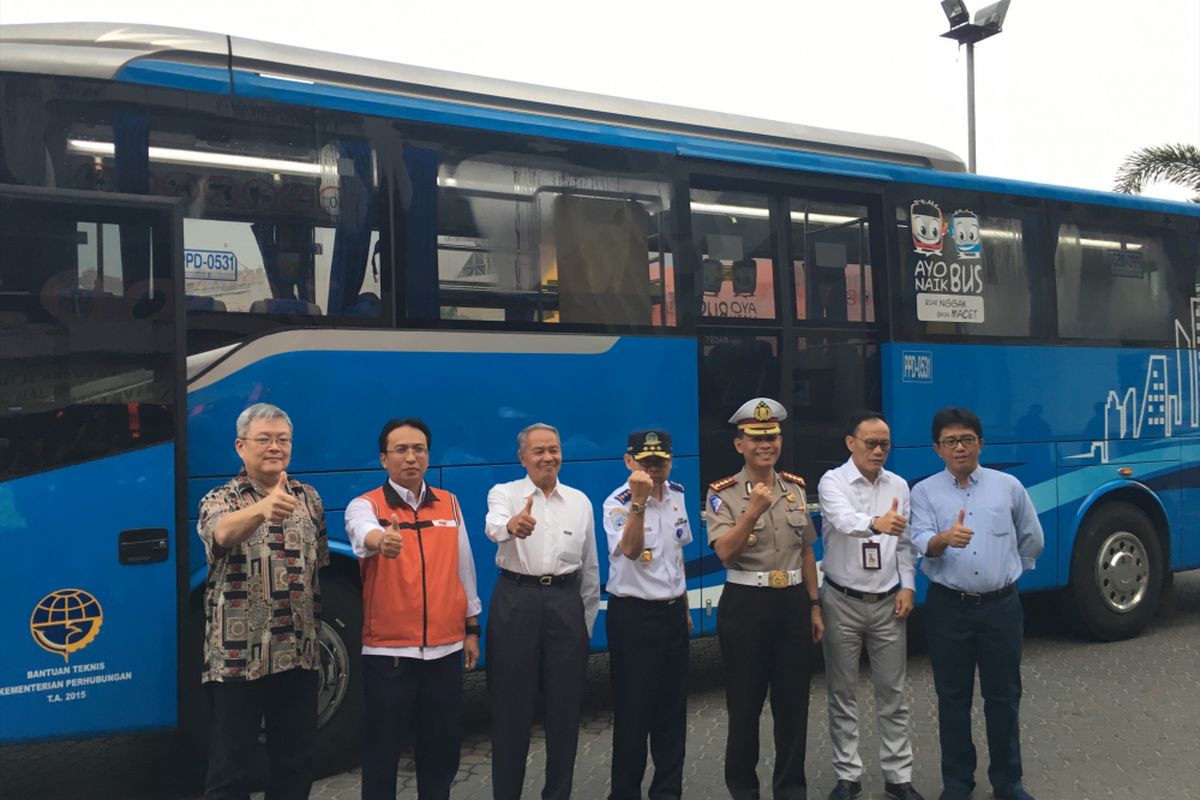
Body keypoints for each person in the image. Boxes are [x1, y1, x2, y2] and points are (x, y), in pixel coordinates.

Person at [909, 408, 1045, 800]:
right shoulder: (924, 492)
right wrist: (943, 540)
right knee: (952, 697)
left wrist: (1011, 571)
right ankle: (957, 781)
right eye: (950, 441)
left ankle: (1008, 780)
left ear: (981, 444)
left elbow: (1030, 536)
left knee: (1003, 695)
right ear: (937, 449)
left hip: (1000, 607)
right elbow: (920, 541)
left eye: (967, 439)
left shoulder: (1008, 486)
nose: (960, 448)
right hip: (948, 608)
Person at [344, 418, 482, 800]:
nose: (411, 457)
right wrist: (380, 541)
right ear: (383, 459)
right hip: (390, 654)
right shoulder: (365, 504)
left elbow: (463, 567)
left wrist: (471, 629)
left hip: (446, 649)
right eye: (401, 450)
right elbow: (360, 532)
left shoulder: (449, 502)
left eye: (418, 449)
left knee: (441, 751)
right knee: (382, 751)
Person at [197, 402, 328, 800]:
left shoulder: (308, 497)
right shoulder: (221, 498)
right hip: (240, 659)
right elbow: (220, 534)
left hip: (298, 654)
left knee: (294, 764)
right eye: (264, 439)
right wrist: (262, 508)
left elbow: (317, 564)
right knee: (230, 770)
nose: (275, 446)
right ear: (241, 446)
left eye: (282, 439)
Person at [704, 397, 823, 800]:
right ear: (740, 445)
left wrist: (814, 605)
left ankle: (791, 790)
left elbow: (807, 551)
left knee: (793, 708)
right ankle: (743, 790)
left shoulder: (795, 488)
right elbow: (724, 552)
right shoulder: (722, 493)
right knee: (744, 707)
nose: (765, 445)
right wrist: (752, 512)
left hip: (791, 603)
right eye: (755, 439)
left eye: (771, 436)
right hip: (745, 605)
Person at [484, 422, 601, 800]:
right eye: (539, 451)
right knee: (510, 714)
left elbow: (590, 569)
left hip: (565, 605)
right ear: (523, 458)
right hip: (517, 600)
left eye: (554, 449)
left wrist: (583, 625)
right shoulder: (504, 493)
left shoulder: (580, 502)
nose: (548, 457)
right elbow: (494, 524)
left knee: (565, 714)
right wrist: (512, 526)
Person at [817, 412, 924, 800]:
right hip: (841, 600)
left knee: (892, 693)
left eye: (884, 444)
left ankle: (899, 777)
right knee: (842, 693)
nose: (878, 451)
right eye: (870, 443)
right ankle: (848, 776)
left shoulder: (898, 485)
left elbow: (907, 545)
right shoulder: (833, 481)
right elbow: (844, 521)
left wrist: (908, 586)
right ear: (851, 443)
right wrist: (877, 523)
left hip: (887, 602)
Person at [602, 430, 692, 800]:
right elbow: (632, 550)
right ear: (629, 462)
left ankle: (667, 793)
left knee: (672, 714)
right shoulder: (617, 502)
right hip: (634, 618)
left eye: (661, 461)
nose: (654, 468)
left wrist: (683, 607)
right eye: (646, 461)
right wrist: (639, 503)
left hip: (672, 615)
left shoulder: (678, 495)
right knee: (634, 716)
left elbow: (677, 559)